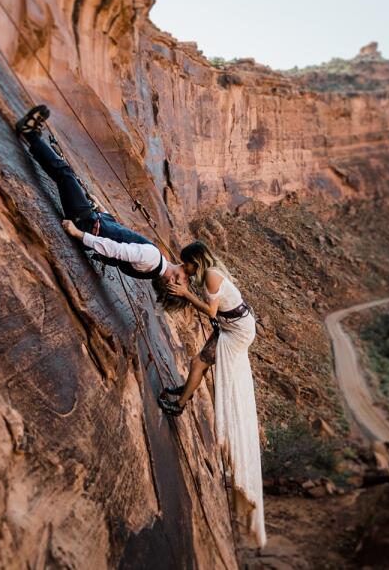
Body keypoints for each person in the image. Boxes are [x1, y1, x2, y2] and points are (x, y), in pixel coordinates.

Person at [156, 241, 266, 548]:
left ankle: (179, 403)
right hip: (231, 327)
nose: (187, 270)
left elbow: (211, 310)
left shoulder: (213, 277)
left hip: (238, 331)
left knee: (200, 361)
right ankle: (183, 396)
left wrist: (185, 294)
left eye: (188, 265)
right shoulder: (209, 274)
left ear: (196, 261)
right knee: (199, 362)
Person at [16, 105, 186, 286]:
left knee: (65, 174)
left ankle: (29, 132)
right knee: (66, 177)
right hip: (92, 221)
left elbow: (115, 249)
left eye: (184, 280)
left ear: (174, 278)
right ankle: (33, 140)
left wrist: (78, 234)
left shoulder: (153, 258)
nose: (186, 275)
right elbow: (120, 234)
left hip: (86, 224)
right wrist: (103, 210)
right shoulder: (153, 266)